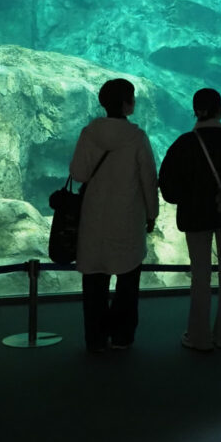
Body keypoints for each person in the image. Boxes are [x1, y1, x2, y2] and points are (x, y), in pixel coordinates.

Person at [158, 88, 221, 351]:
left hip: (195, 217)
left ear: (195, 111)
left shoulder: (183, 145)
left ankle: (199, 337)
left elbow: (167, 187)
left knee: (200, 274)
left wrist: (190, 196)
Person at [69, 78, 158, 353]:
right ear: (125, 104)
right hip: (128, 219)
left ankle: (95, 338)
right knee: (128, 279)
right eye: (131, 97)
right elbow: (148, 179)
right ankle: (122, 336)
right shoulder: (137, 138)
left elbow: (78, 174)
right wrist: (152, 213)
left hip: (94, 218)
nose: (134, 102)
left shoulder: (88, 133)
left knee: (94, 280)